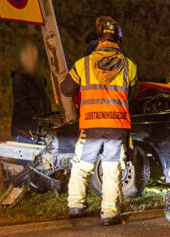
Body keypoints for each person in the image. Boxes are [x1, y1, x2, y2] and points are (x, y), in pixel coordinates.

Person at [61, 20, 138, 225]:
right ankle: (109, 213)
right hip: (117, 126)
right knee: (112, 168)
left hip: (91, 125)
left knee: (82, 165)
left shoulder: (82, 64)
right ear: (119, 40)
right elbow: (133, 94)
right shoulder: (129, 66)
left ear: (100, 38)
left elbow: (66, 90)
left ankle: (76, 205)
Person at [11, 41, 52, 141]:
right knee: (27, 154)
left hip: (39, 127)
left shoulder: (37, 77)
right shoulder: (20, 77)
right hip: (26, 128)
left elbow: (44, 98)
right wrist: (36, 118)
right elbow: (21, 101)